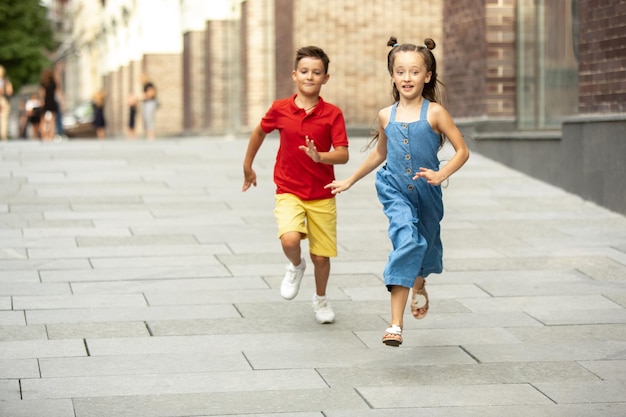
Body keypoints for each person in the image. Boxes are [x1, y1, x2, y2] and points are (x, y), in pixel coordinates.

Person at [325, 37, 469, 346]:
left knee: (425, 249)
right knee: (406, 242)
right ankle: (395, 324)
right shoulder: (385, 115)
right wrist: (350, 180)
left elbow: (462, 151)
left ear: (427, 76)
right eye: (400, 71)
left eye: (414, 72)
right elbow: (380, 154)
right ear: (392, 74)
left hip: (427, 193)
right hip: (394, 190)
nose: (407, 78)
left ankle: (419, 285)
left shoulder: (436, 113)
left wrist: (442, 173)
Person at [242, 46, 349, 324]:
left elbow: (343, 153)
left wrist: (320, 156)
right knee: (289, 239)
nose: (309, 77)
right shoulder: (280, 109)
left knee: (322, 258)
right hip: (288, 189)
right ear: (294, 75)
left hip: (322, 193)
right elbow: (259, 132)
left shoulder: (333, 114)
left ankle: (321, 299)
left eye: (316, 72)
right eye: (304, 71)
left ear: (325, 78)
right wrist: (248, 164)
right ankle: (295, 265)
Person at [39, 68, 59, 141]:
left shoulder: (43, 82)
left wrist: (42, 101)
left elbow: (42, 93)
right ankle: (51, 136)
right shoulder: (53, 82)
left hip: (45, 101)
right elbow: (57, 91)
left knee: (43, 120)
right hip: (52, 101)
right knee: (52, 120)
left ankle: (44, 135)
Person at [141, 74, 157, 140]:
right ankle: (148, 135)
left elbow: (151, 94)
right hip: (146, 103)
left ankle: (151, 136)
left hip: (150, 102)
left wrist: (144, 96)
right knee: (146, 119)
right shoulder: (144, 85)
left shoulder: (149, 85)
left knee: (149, 118)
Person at [0, 65, 14, 141]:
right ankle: (3, 136)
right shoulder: (5, 81)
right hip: (3, 100)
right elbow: (10, 91)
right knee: (4, 118)